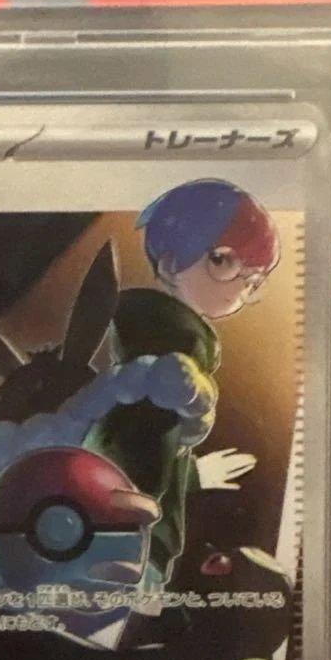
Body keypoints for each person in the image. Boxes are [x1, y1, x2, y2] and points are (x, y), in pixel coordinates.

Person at [86, 178, 281, 587]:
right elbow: (136, 446)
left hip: (133, 535)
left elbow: (152, 444)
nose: (240, 287)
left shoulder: (168, 340)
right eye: (223, 261)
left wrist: (192, 475)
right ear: (171, 264)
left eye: (253, 280)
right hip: (129, 542)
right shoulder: (171, 341)